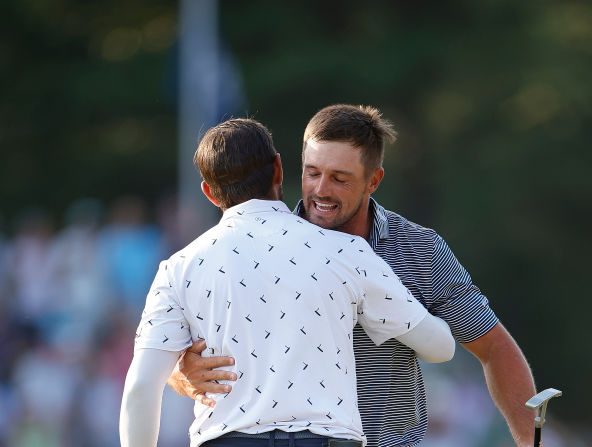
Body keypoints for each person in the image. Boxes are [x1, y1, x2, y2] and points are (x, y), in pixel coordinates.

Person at [170, 105, 539, 446]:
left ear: (373, 180)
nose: (320, 191)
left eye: (340, 179)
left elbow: (492, 347)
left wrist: (531, 443)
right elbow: (167, 352)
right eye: (312, 173)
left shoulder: (419, 249)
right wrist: (181, 372)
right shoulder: (254, 250)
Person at [119, 118, 456, 447]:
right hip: (326, 438)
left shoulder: (180, 268)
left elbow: (141, 388)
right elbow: (441, 348)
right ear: (278, 169)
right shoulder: (345, 251)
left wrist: (181, 368)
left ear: (208, 192)